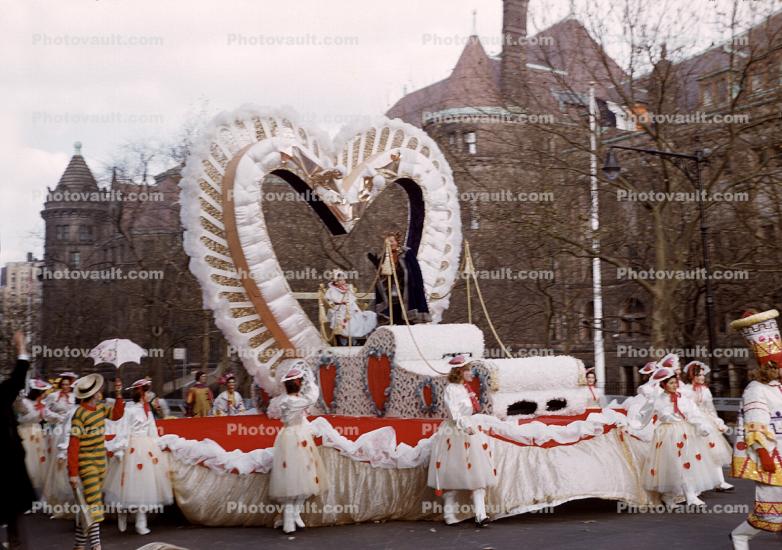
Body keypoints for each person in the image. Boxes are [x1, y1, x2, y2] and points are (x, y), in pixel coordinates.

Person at [638, 367, 721, 508]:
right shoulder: (657, 400)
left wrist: (701, 426)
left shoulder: (684, 399)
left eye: (675, 382)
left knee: (687, 463)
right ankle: (671, 496)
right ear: (664, 385)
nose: (674, 385)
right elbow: (642, 415)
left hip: (685, 433)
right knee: (673, 465)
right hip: (668, 434)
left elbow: (694, 414)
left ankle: (688, 496)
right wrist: (633, 425)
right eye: (671, 383)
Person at [428, 356, 496, 526]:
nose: (471, 373)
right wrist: (464, 426)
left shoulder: (463, 388)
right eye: (468, 370)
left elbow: (466, 411)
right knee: (453, 471)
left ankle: (481, 515)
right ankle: (449, 515)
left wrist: (469, 425)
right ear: (460, 371)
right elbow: (454, 412)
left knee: (477, 471)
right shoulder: (451, 389)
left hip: (469, 430)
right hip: (455, 432)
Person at [105, 379, 172, 536]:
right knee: (127, 485)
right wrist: (120, 449)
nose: (149, 394)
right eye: (147, 391)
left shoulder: (147, 410)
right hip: (132, 448)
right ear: (141, 393)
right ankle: (123, 511)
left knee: (144, 486)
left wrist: (159, 445)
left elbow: (152, 430)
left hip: (147, 448)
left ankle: (141, 521)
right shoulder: (130, 410)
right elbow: (123, 430)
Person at [68, 374, 125, 550]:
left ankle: (79, 545)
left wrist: (118, 393)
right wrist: (73, 473)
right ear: (93, 394)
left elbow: (117, 414)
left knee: (88, 507)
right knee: (94, 505)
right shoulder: (79, 414)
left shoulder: (100, 408)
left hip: (101, 463)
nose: (100, 392)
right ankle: (96, 546)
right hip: (87, 465)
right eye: (98, 391)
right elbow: (73, 445)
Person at [268, 363, 327, 534]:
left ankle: (293, 516)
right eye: (300, 382)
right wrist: (311, 379)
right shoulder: (294, 402)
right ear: (298, 384)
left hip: (291, 437)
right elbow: (313, 396)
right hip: (296, 439)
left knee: (298, 477)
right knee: (297, 477)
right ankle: (290, 518)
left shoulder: (287, 400)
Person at [1, 332, 35, 550]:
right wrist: (21, 346)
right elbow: (19, 374)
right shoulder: (1, 393)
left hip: (9, 465)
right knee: (14, 515)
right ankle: (16, 544)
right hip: (8, 465)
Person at [682, 360, 734, 491]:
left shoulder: (705, 390)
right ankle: (696, 484)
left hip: (707, 421)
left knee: (714, 451)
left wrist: (717, 422)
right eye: (698, 374)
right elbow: (685, 409)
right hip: (693, 422)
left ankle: (720, 482)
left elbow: (710, 409)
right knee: (696, 453)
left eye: (703, 375)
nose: (702, 377)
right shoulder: (685, 390)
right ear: (691, 375)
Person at [368, 231, 430, 325]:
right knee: (393, 319)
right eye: (387, 242)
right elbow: (381, 279)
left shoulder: (406, 253)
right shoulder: (384, 257)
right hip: (391, 295)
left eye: (392, 241)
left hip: (406, 293)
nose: (390, 243)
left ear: (397, 241)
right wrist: (378, 266)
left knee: (406, 320)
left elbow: (415, 272)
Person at [15, 379, 52, 492]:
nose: (46, 394)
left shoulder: (42, 405)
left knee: (38, 459)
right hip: (25, 432)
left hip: (37, 433)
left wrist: (62, 418)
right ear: (39, 393)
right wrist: (19, 396)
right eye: (44, 392)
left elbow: (49, 415)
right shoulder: (25, 402)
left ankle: (34, 487)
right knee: (27, 458)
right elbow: (22, 413)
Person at [324, 270, 377, 345]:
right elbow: (330, 302)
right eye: (340, 280)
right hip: (339, 310)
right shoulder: (331, 290)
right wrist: (338, 305)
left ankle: (355, 340)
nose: (343, 281)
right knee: (345, 321)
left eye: (343, 279)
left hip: (351, 309)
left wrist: (356, 309)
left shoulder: (348, 288)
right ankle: (344, 341)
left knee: (366, 316)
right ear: (336, 281)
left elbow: (352, 302)